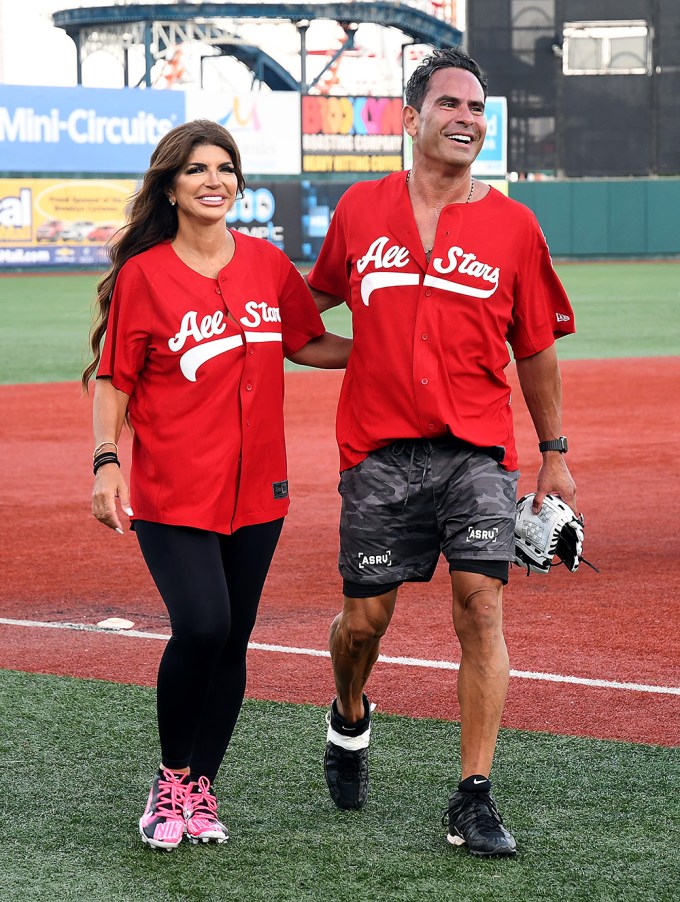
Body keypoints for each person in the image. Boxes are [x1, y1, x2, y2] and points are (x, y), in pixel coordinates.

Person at [306, 47, 578, 857]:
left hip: (475, 452)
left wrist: (554, 453)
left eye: (477, 109)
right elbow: (295, 310)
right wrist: (362, 351)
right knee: (365, 620)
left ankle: (473, 794)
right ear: (413, 116)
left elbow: (535, 348)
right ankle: (349, 716)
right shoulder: (360, 211)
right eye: (452, 104)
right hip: (379, 453)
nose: (467, 119)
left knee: (480, 605)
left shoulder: (513, 226)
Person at [82, 119, 351, 851]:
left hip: (258, 490)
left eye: (225, 167)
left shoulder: (265, 264)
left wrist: (384, 352)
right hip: (174, 489)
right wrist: (107, 460)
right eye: (197, 169)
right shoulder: (146, 275)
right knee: (201, 624)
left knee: (232, 638)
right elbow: (114, 379)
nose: (214, 180)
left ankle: (202, 787)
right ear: (170, 185)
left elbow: (307, 341)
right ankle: (169, 780)